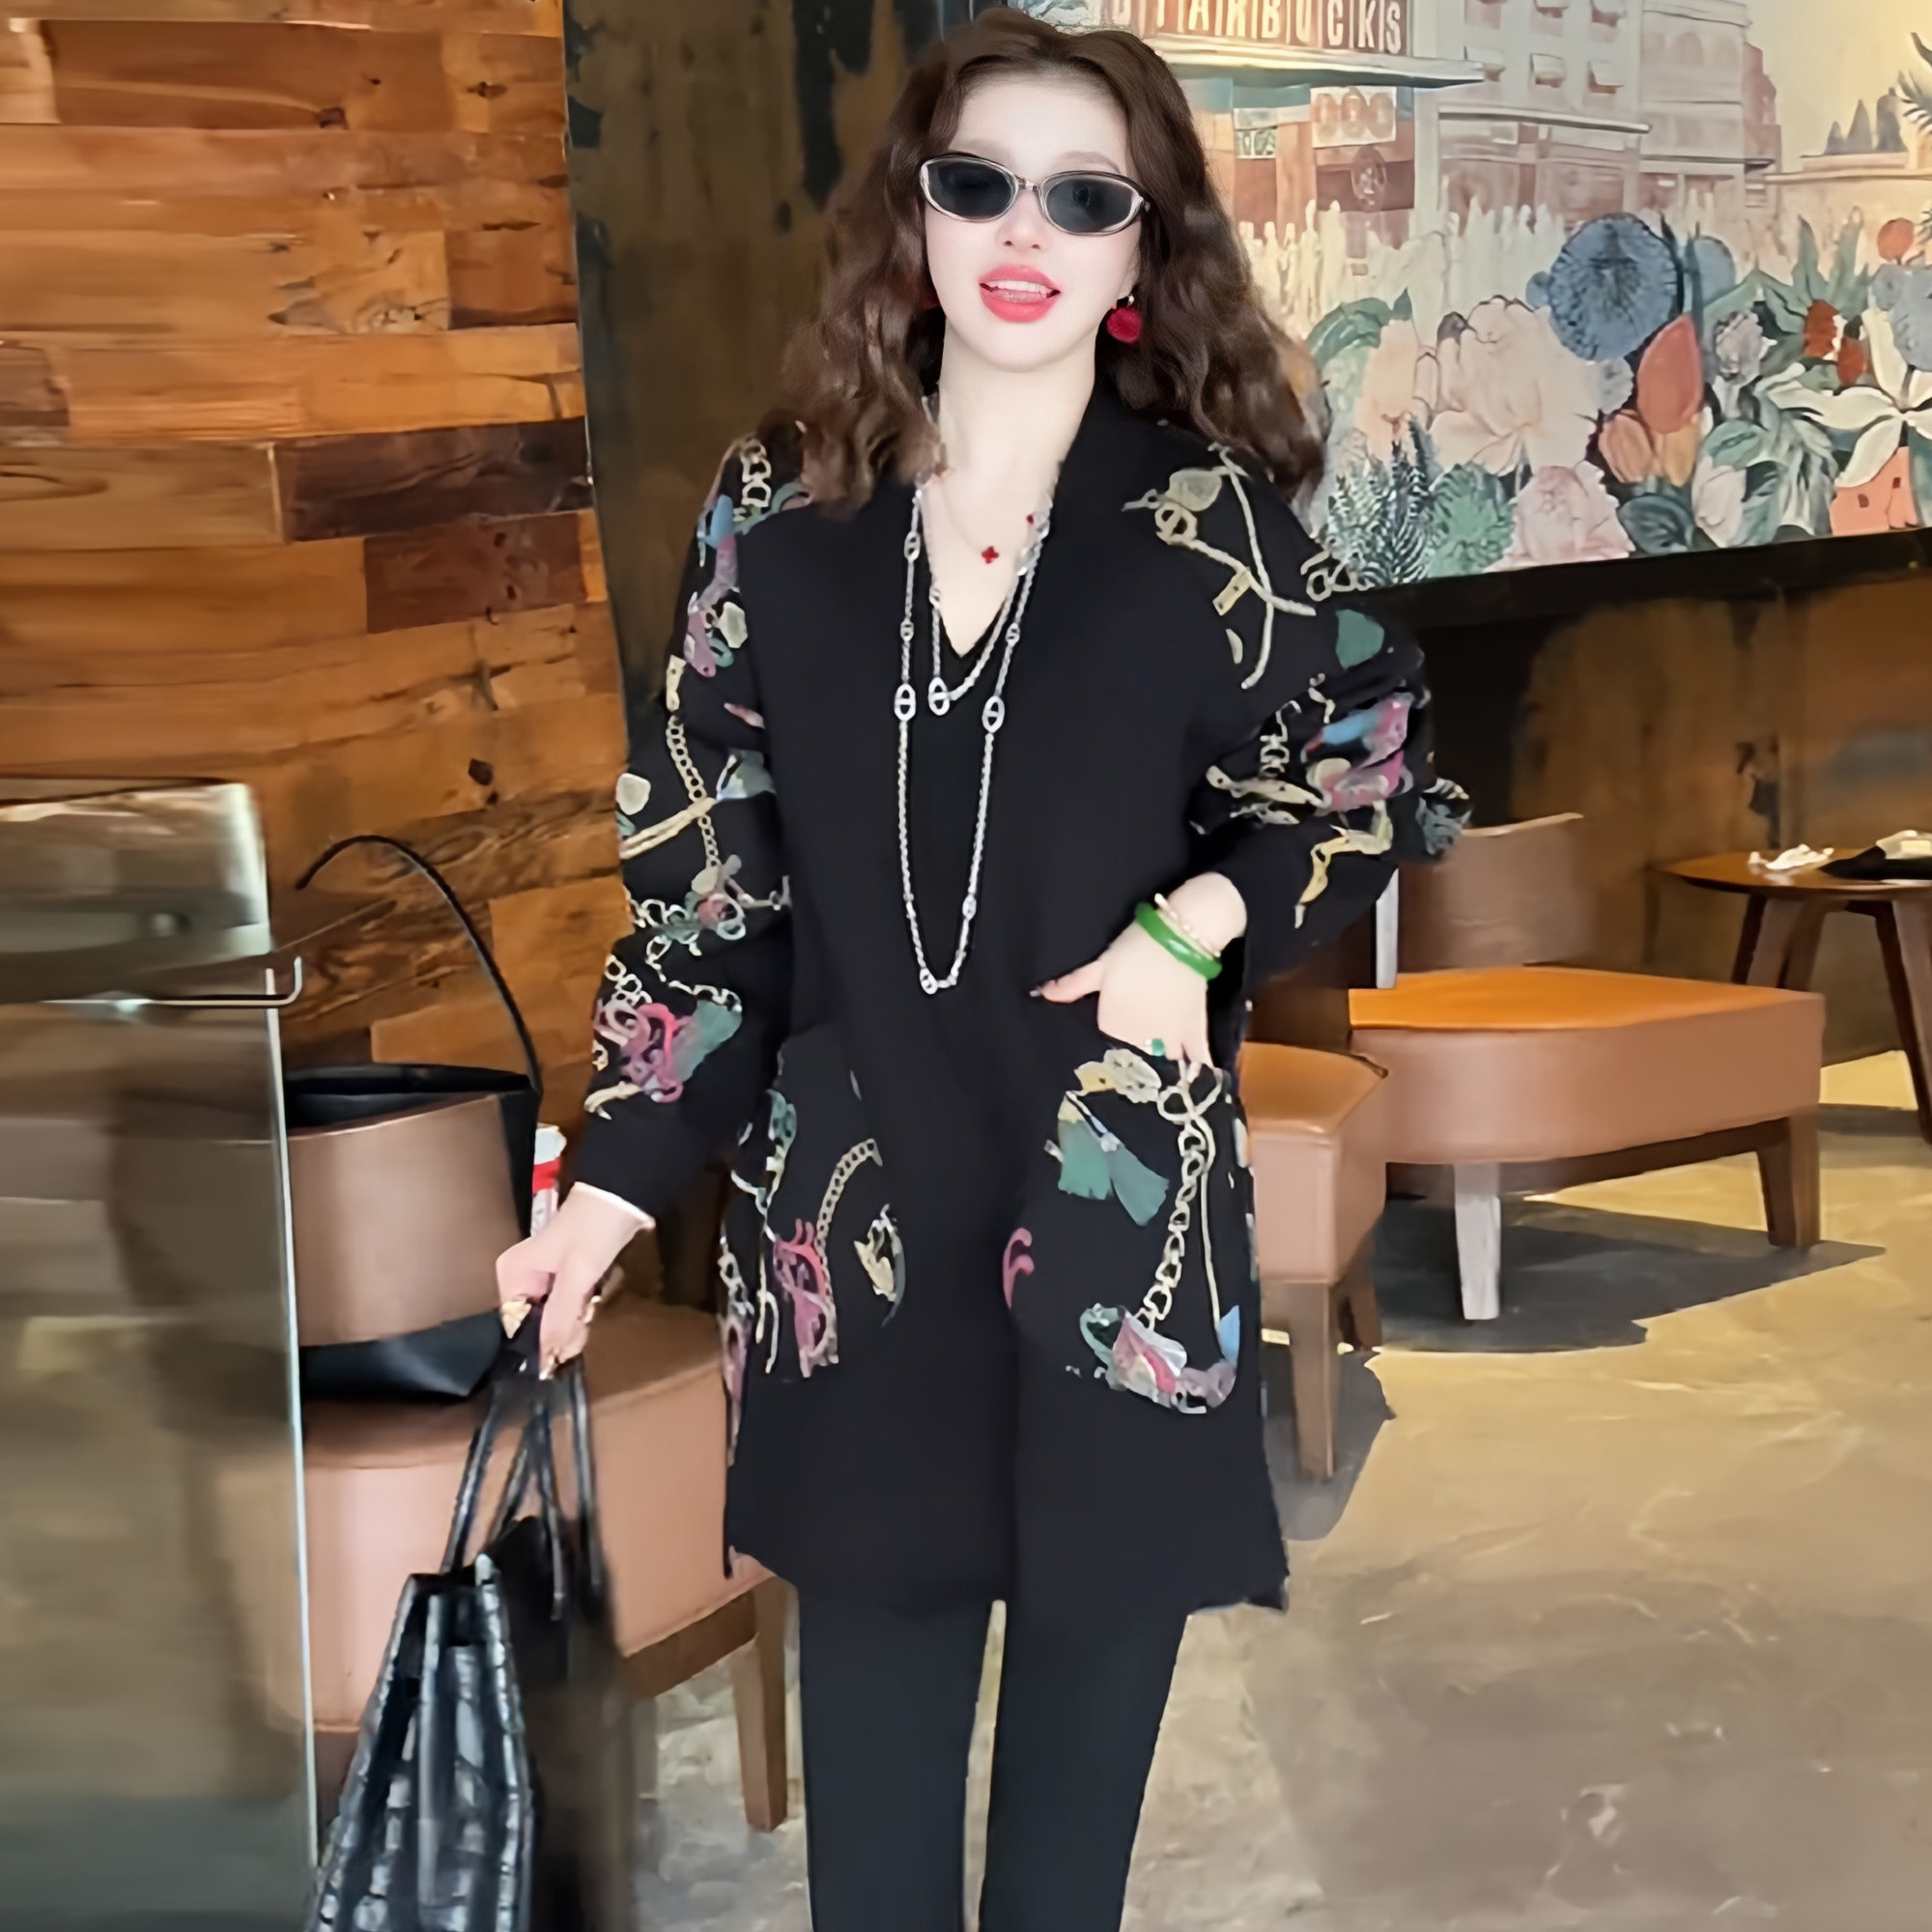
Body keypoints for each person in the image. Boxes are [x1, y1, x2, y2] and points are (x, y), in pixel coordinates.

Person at [496, 13, 1467, 1929]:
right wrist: (605, 1196)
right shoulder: (776, 515)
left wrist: (1197, 928)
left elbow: (1369, 770)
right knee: (873, 1858)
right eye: (979, 183)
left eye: (1084, 198)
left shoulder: (1204, 523)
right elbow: (708, 892)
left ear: (1141, 250)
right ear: (913, 216)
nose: (1026, 231)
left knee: (1060, 1868)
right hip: (847, 1246)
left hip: (1118, 1232)